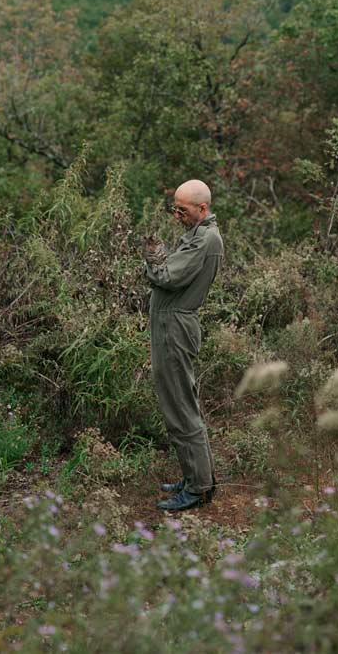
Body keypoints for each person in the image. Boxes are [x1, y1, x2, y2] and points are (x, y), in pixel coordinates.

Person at [143, 178, 223, 512]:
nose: (177, 215)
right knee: (179, 404)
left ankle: (199, 488)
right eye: (175, 209)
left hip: (176, 327)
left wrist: (152, 255)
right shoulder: (199, 236)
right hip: (171, 326)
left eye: (183, 210)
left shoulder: (205, 239)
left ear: (202, 208)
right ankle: (194, 477)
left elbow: (166, 276)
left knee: (181, 409)